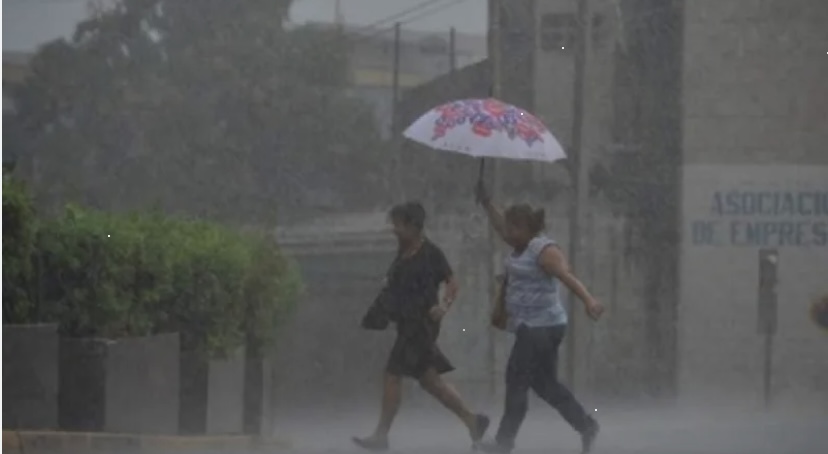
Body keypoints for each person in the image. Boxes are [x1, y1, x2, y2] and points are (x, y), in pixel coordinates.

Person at [475, 182, 605, 454]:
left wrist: (589, 300)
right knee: (545, 385)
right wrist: (487, 202)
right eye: (509, 227)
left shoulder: (542, 250)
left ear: (529, 228)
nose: (508, 232)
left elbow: (566, 276)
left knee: (516, 380)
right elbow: (501, 226)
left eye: (515, 227)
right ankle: (586, 425)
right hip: (537, 327)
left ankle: (504, 442)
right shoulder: (519, 245)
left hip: (540, 327)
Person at [353, 201, 490, 451]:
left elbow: (452, 283)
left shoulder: (431, 253)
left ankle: (381, 435)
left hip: (421, 326)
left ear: (414, 226)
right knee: (430, 382)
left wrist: (444, 306)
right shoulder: (402, 252)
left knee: (393, 375)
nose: (394, 229)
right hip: (407, 324)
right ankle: (473, 421)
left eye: (399, 224)